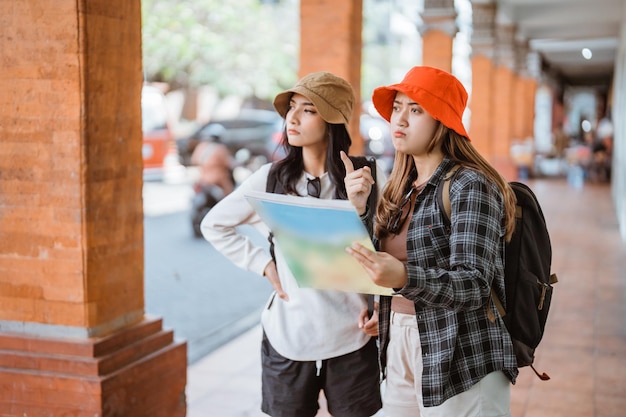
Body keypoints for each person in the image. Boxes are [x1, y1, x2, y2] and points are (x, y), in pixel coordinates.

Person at [201, 71, 383, 417]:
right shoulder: (270, 179)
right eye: (291, 108)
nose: (292, 118)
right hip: (288, 335)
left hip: (353, 335)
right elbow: (214, 224)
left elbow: (387, 248)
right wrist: (263, 265)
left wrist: (380, 308)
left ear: (333, 121)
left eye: (308, 110)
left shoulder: (366, 177)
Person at [345, 66, 519, 417]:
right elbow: (378, 263)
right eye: (397, 107)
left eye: (416, 110)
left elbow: (475, 285)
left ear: (443, 121)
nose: (400, 119)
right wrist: (360, 211)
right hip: (401, 343)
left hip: (460, 353)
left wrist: (404, 278)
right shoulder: (400, 186)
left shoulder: (470, 185)